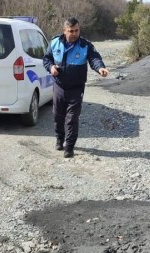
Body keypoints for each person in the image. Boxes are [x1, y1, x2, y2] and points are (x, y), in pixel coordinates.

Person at [43, 17, 109, 158]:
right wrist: (51, 67)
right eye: (71, 31)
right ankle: (59, 138)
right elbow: (46, 59)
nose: (74, 33)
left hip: (76, 88)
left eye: (76, 30)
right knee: (57, 115)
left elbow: (94, 58)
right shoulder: (55, 42)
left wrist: (100, 68)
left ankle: (69, 147)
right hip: (59, 85)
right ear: (64, 30)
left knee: (72, 118)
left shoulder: (85, 45)